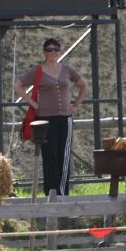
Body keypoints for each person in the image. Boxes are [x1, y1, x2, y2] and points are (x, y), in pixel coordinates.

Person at [14, 38, 87, 196]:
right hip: (45, 119)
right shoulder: (38, 70)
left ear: (60, 52)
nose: (52, 52)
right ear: (44, 53)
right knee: (49, 155)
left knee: (64, 155)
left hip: (65, 118)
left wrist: (76, 106)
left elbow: (83, 85)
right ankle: (51, 193)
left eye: (55, 49)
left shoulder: (67, 70)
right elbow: (17, 86)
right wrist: (34, 104)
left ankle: (62, 193)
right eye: (49, 49)